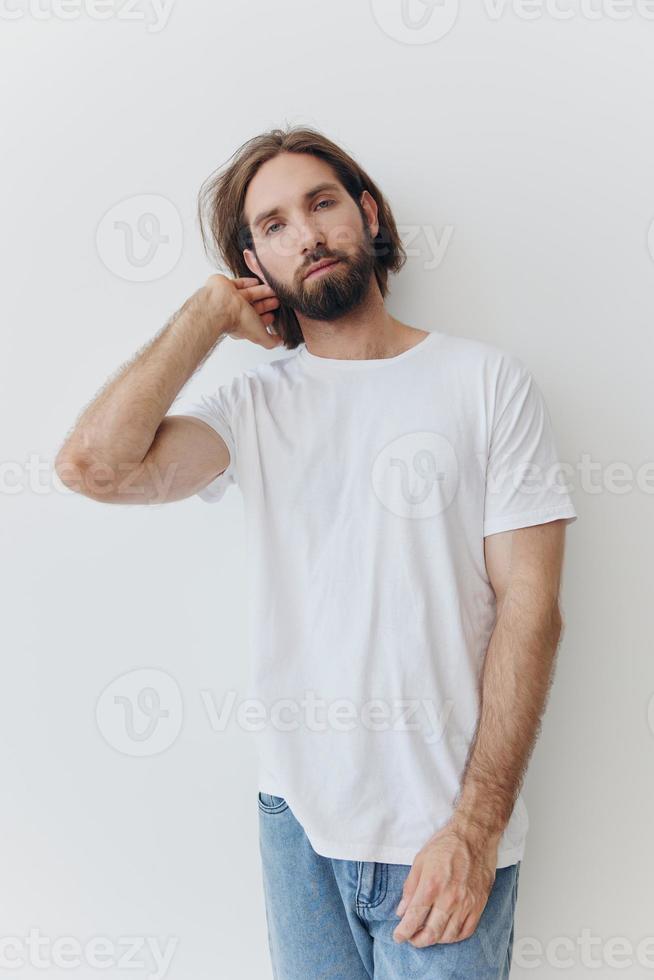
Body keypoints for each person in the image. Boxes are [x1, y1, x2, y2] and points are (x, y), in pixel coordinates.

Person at [56, 125, 578, 979]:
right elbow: (95, 467)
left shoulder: (485, 383)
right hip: (296, 824)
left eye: (322, 202)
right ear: (254, 266)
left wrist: (475, 831)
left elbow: (532, 607)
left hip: (444, 828)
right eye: (272, 225)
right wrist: (205, 317)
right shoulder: (255, 408)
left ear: (367, 213)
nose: (307, 231)